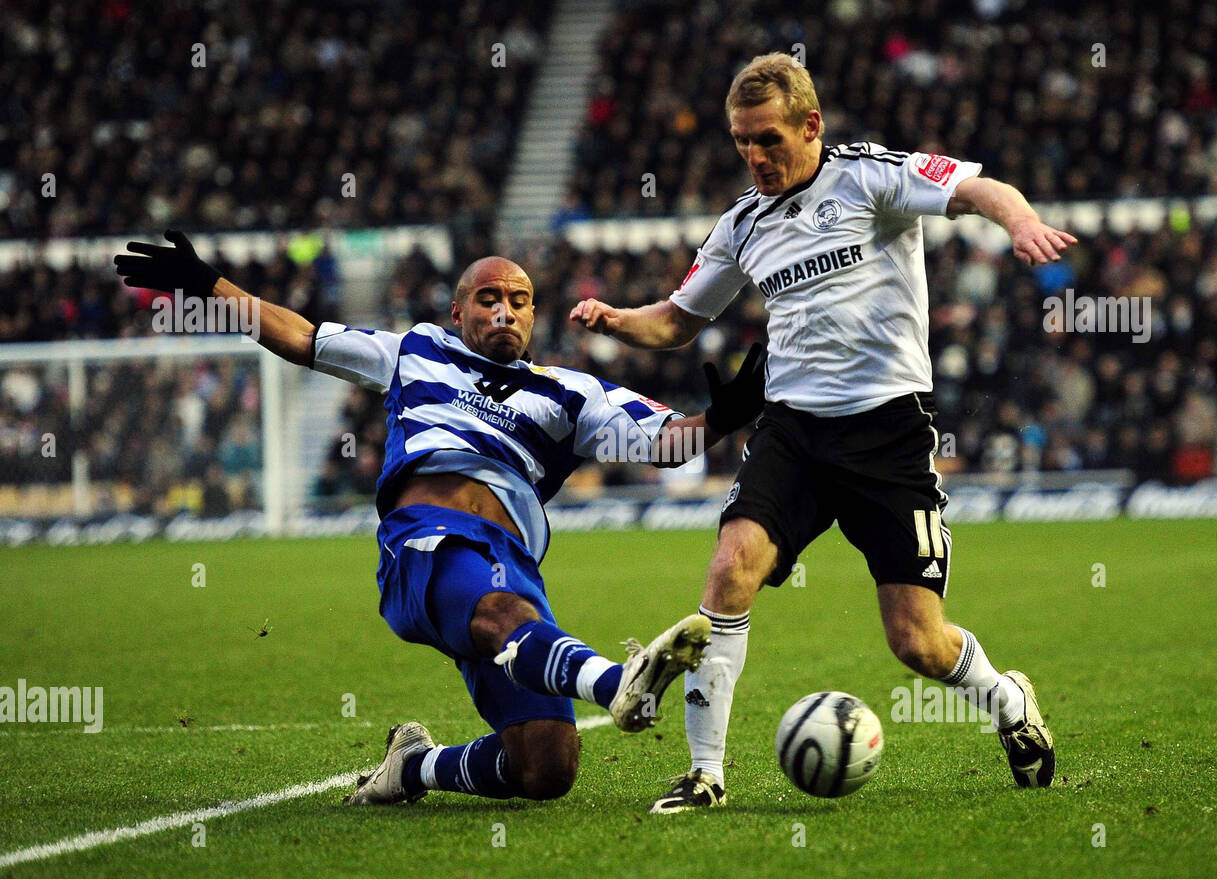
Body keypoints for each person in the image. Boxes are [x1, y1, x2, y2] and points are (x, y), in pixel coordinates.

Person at [571, 53, 1073, 812]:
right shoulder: (743, 222)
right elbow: (677, 319)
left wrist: (1023, 220)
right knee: (728, 571)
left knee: (916, 641)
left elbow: (977, 190)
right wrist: (615, 319)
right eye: (742, 142)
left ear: (812, 125)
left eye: (768, 139)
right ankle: (706, 773)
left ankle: (1009, 701)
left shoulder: (872, 177)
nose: (755, 157)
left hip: (888, 437)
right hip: (793, 432)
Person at [115, 233, 766, 805]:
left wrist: (724, 416)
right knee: (499, 615)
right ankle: (616, 681)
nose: (504, 308)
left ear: (535, 313)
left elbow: (663, 442)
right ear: (458, 311)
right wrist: (210, 285)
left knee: (545, 765)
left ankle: (414, 767)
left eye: (519, 298)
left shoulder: (574, 393)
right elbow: (300, 335)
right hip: (425, 539)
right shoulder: (414, 351)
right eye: (487, 297)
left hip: (508, 564)